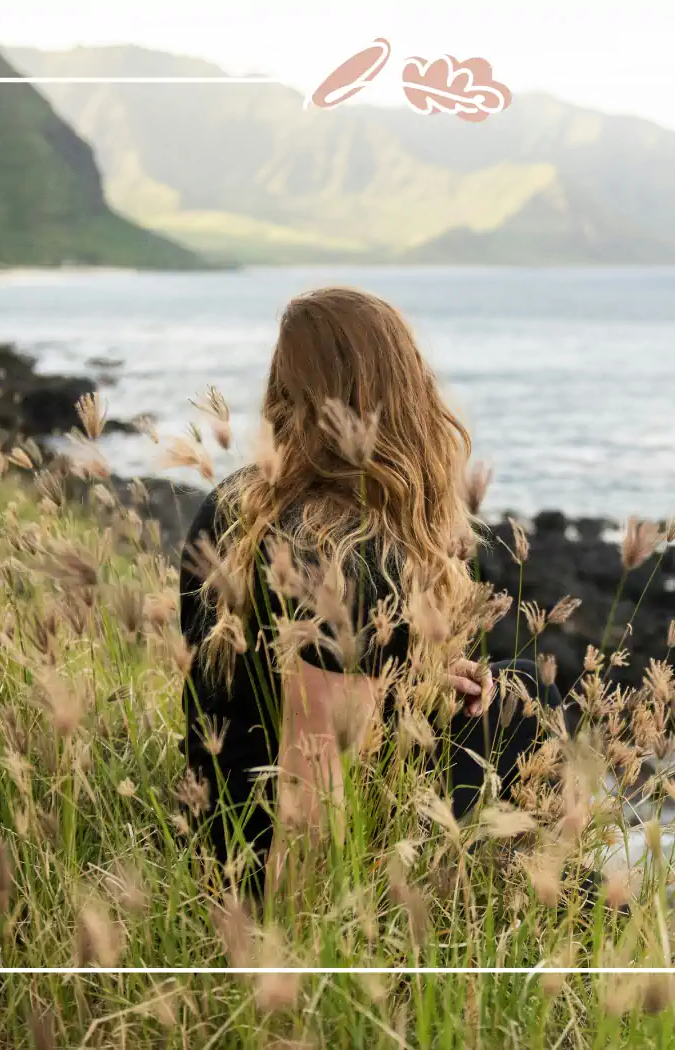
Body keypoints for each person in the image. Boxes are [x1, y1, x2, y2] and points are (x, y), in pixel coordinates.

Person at [178, 287, 568, 897]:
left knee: (517, 682)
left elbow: (257, 686)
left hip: (214, 810)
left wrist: (410, 680)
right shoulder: (344, 553)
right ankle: (527, 892)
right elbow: (309, 803)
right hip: (265, 854)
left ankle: (529, 874)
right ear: (397, 392)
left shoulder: (236, 502)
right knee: (527, 701)